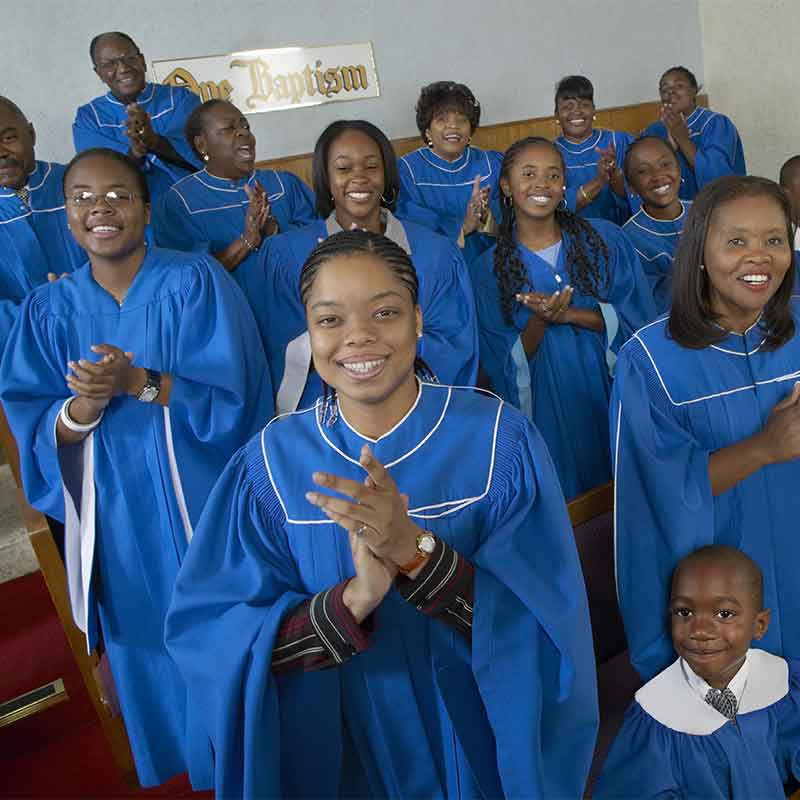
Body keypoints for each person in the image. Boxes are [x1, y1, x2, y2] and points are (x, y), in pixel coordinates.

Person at [165, 229, 599, 799]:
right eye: (329, 320)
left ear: (419, 320)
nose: (358, 337)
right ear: (308, 333)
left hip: (472, 737)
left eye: (385, 312)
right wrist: (352, 602)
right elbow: (216, 637)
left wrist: (417, 555)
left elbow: (543, 627)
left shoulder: (498, 441)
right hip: (340, 747)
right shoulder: (270, 465)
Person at [0, 148, 273, 787]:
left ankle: (250, 755)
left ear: (146, 209)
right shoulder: (47, 311)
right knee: (145, 637)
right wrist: (85, 405)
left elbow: (240, 399)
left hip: (203, 498)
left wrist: (141, 382)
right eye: (83, 197)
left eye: (119, 195)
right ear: (65, 215)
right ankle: (188, 765)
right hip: (114, 511)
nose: (102, 208)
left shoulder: (197, 281)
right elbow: (33, 425)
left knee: (225, 625)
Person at [612, 175, 800, 683]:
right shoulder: (651, 359)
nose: (758, 256)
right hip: (722, 582)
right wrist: (765, 447)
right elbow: (656, 495)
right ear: (699, 250)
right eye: (736, 241)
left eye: (774, 240)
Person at [472, 137, 656, 499]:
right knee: (572, 508)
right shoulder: (488, 270)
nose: (542, 183)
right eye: (528, 174)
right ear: (506, 186)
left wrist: (573, 314)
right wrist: (540, 321)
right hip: (548, 408)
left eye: (553, 175)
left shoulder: (604, 239)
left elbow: (640, 320)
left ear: (563, 186)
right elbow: (498, 360)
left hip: (609, 391)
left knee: (630, 494)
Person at [260, 120, 478, 413]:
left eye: (371, 166)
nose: (359, 177)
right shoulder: (287, 256)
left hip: (417, 414)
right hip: (324, 418)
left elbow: (453, 346)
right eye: (344, 168)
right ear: (326, 177)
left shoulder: (436, 254)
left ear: (386, 174)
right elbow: (282, 347)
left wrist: (371, 357)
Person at [595, 546, 800, 799]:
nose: (700, 631)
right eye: (684, 612)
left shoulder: (783, 687)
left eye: (724, 614)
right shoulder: (656, 719)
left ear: (759, 625)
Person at [153, 99, 317, 300]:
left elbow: (320, 243)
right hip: (232, 315)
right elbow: (188, 280)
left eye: (245, 126)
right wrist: (247, 240)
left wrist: (274, 230)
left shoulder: (283, 184)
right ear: (201, 144)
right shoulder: (179, 203)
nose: (243, 133)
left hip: (299, 303)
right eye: (229, 128)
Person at [73, 32, 201, 201]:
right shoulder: (89, 119)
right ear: (99, 73)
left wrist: (155, 142)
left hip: (193, 202)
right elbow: (98, 177)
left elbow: (206, 156)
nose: (123, 68)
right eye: (109, 64)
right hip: (134, 216)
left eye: (129, 58)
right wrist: (134, 154)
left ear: (142, 61)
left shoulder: (180, 100)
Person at [0, 97, 85, 346]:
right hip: (23, 353)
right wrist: (44, 311)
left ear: (31, 134)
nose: (1, 152)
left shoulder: (81, 185)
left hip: (109, 333)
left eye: (8, 138)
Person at [396, 81, 503, 263]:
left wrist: (485, 217)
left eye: (461, 119)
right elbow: (410, 223)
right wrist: (462, 226)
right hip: (437, 265)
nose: (453, 126)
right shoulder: (407, 171)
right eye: (442, 119)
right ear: (428, 131)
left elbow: (511, 217)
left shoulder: (492, 164)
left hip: (490, 262)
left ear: (471, 129)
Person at [641, 66, 746, 202]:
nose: (671, 92)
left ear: (694, 90)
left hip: (715, 208)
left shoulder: (716, 124)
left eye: (679, 86)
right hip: (672, 213)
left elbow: (717, 179)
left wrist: (682, 139)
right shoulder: (652, 132)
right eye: (664, 89)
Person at [622, 136, 691, 312]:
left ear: (679, 169)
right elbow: (646, 302)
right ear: (631, 187)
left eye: (665, 164)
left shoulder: (707, 214)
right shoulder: (628, 241)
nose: (658, 175)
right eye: (643, 171)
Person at [553, 75, 632, 226]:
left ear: (594, 110)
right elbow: (557, 207)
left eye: (584, 104)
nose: (576, 111)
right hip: (572, 239)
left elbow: (636, 196)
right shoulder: (549, 153)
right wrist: (600, 181)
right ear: (556, 115)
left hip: (619, 233)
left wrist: (614, 174)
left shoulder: (619, 142)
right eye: (567, 106)